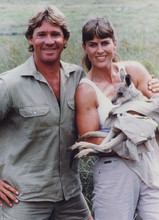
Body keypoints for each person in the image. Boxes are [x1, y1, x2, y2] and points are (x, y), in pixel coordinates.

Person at [0, 5, 93, 220]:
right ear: (31, 39)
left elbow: (111, 82)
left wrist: (146, 82)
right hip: (23, 198)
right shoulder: (9, 84)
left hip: (70, 195)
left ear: (65, 39)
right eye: (41, 34)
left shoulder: (78, 77)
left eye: (55, 34)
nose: (49, 41)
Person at [75, 17, 159, 220]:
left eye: (104, 43)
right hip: (115, 168)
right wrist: (134, 135)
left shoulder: (133, 70)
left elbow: (158, 105)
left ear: (114, 43)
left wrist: (158, 93)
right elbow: (89, 139)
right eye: (93, 44)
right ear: (85, 47)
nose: (100, 50)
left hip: (150, 162)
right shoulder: (86, 90)